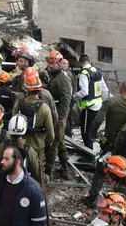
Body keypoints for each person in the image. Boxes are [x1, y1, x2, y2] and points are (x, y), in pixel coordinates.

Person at [84, 80, 126, 208]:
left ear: (121, 89)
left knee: (101, 170)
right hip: (125, 147)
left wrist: (92, 134)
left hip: (109, 144)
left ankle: (92, 199)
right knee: (122, 173)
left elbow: (98, 120)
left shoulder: (110, 102)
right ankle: (119, 202)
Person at [11, 71, 54, 182]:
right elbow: (51, 133)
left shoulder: (19, 104)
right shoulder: (44, 108)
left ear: (26, 89)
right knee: (37, 172)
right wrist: (46, 144)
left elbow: (13, 121)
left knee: (19, 169)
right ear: (40, 89)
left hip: (20, 144)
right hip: (37, 145)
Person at [46, 51, 73, 180]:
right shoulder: (54, 76)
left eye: (53, 63)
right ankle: (65, 168)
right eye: (49, 63)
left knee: (54, 143)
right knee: (61, 142)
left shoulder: (63, 78)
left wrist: (61, 117)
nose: (50, 66)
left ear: (59, 63)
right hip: (54, 113)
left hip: (58, 115)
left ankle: (48, 172)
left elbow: (66, 99)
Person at [74, 54, 107, 149]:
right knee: (92, 130)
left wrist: (74, 97)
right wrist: (102, 101)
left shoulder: (84, 73)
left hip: (88, 107)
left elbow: (84, 92)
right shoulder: (97, 71)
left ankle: (89, 152)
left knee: (85, 132)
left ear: (81, 62)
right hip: (98, 106)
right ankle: (95, 149)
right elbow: (105, 90)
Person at [3, 115, 42, 185]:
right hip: (23, 184)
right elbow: (36, 171)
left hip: (6, 183)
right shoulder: (29, 150)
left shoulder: (3, 146)